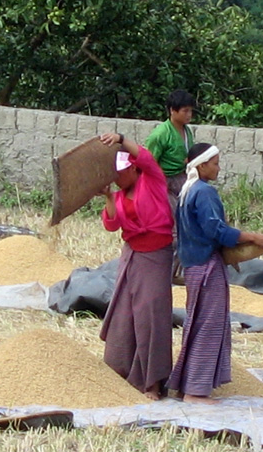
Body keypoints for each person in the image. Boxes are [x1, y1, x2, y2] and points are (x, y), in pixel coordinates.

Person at [167, 142, 263, 404]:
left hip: (193, 266)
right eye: (215, 163)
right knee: (209, 327)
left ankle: (186, 387)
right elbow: (217, 230)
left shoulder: (186, 191)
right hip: (206, 267)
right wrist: (252, 237)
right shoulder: (204, 193)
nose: (218, 167)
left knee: (196, 324)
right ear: (201, 165)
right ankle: (196, 392)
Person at [97, 132, 174, 400]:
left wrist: (119, 137)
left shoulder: (151, 181)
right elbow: (111, 224)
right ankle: (120, 371)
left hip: (157, 256)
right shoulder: (118, 196)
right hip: (132, 255)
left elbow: (146, 156)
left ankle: (152, 381)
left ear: (132, 168)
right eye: (114, 176)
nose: (118, 179)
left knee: (151, 313)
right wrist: (108, 197)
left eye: (121, 173)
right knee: (124, 312)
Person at [145, 89, 197, 206]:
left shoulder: (187, 130)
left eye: (190, 111)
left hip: (183, 175)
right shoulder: (160, 135)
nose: (189, 115)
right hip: (164, 180)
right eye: (185, 111)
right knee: (174, 212)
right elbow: (149, 162)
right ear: (172, 110)